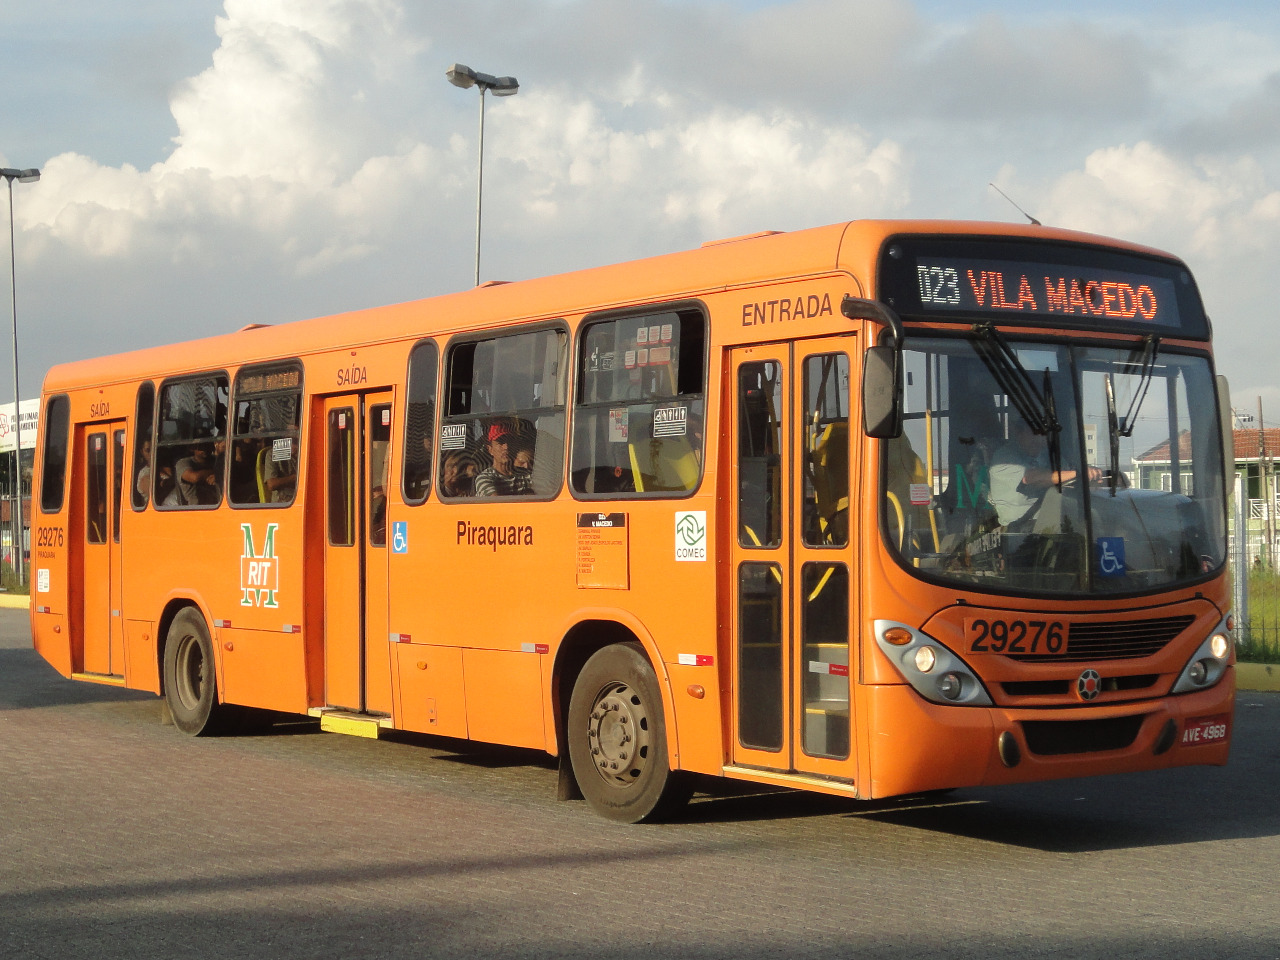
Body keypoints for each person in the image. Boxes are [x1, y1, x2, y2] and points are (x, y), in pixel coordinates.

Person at [988, 418, 1100, 527]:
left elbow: (1068, 472)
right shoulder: (1004, 458)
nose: (1040, 439)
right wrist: (1078, 473)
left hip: (1050, 521)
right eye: (1035, 433)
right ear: (1019, 433)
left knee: (1095, 516)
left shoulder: (1046, 454)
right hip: (1017, 529)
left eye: (1043, 434)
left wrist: (1093, 475)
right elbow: (1031, 479)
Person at [474, 420, 534, 497]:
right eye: (500, 443)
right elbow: (497, 505)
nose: (506, 447)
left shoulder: (525, 475)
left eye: (509, 441)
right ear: (490, 449)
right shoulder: (485, 478)